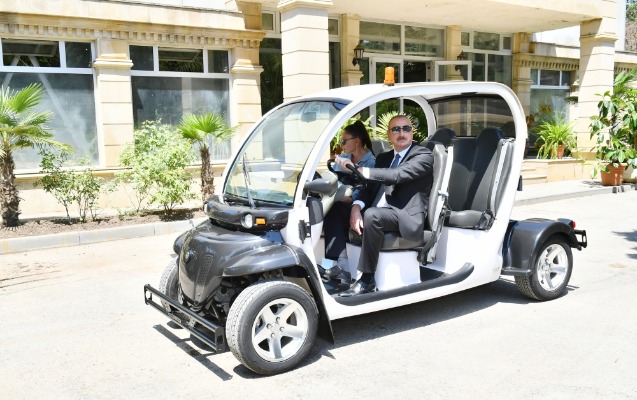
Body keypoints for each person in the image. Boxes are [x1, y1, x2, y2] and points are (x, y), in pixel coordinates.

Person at [337, 115, 434, 297]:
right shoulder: (384, 158)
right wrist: (356, 208)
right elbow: (368, 188)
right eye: (396, 129)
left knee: (372, 215)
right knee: (338, 209)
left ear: (412, 132)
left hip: (405, 214)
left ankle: (367, 279)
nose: (401, 133)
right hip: (380, 212)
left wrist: (359, 169)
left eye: (406, 128)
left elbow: (396, 175)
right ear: (389, 135)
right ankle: (337, 265)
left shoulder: (423, 155)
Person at [321, 120, 375, 283]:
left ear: (356, 141)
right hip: (343, 200)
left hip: (362, 203)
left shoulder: (371, 162)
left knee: (334, 211)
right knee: (325, 209)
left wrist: (349, 198)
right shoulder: (344, 158)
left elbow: (366, 190)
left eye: (344, 141)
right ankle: (329, 265)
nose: (341, 144)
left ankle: (341, 266)